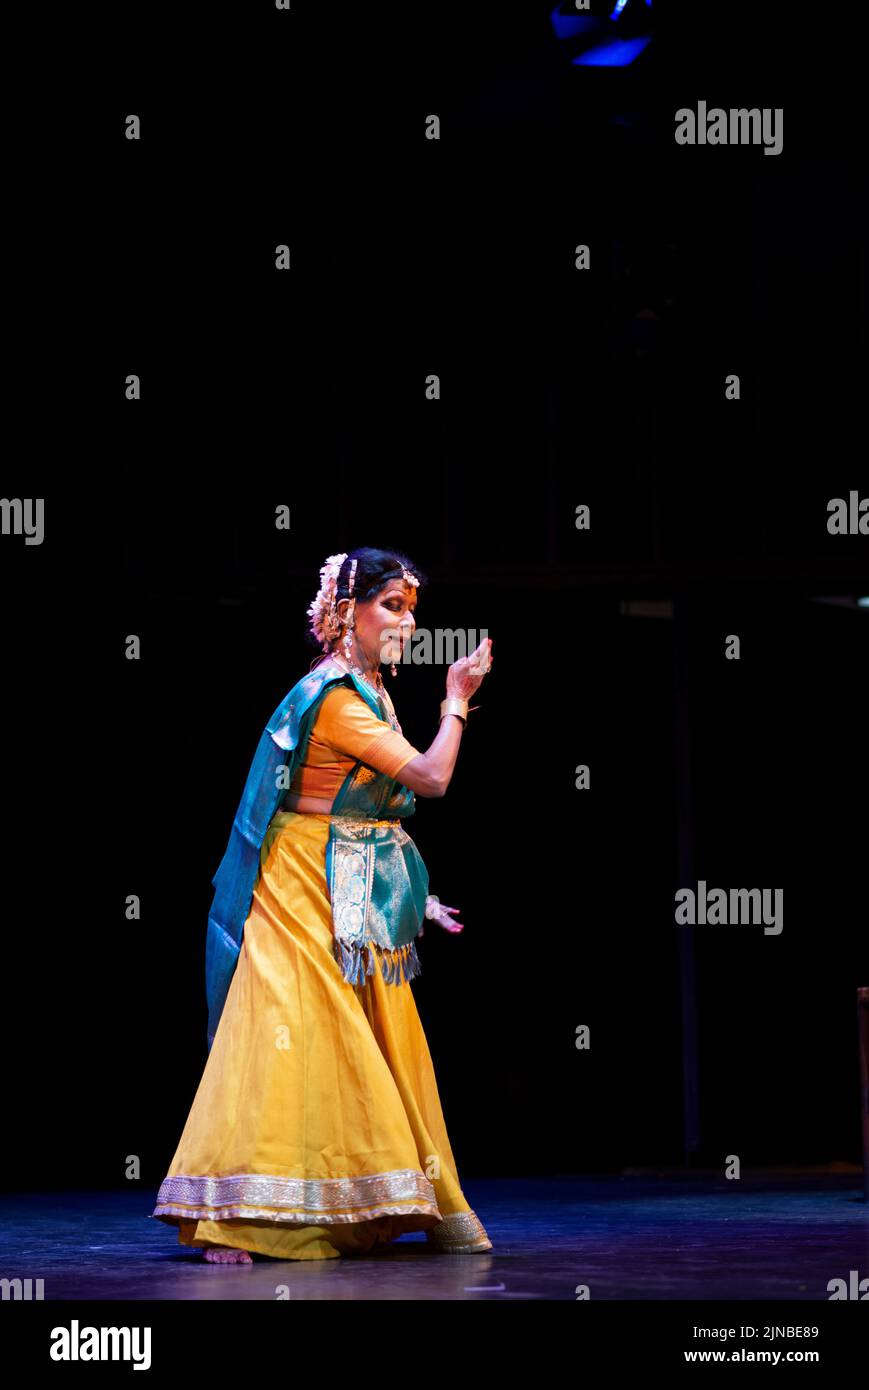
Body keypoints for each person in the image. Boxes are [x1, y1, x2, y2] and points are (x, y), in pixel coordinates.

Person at [151, 547, 494, 1261]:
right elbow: (430, 780)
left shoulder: (367, 691)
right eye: (390, 606)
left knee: (350, 1041)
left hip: (340, 882)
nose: (404, 623)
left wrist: (417, 901)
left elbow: (370, 813)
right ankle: (237, 1213)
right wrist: (457, 699)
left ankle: (347, 1205)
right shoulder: (335, 698)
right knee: (287, 1032)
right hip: (300, 884)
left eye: (411, 611)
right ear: (345, 612)